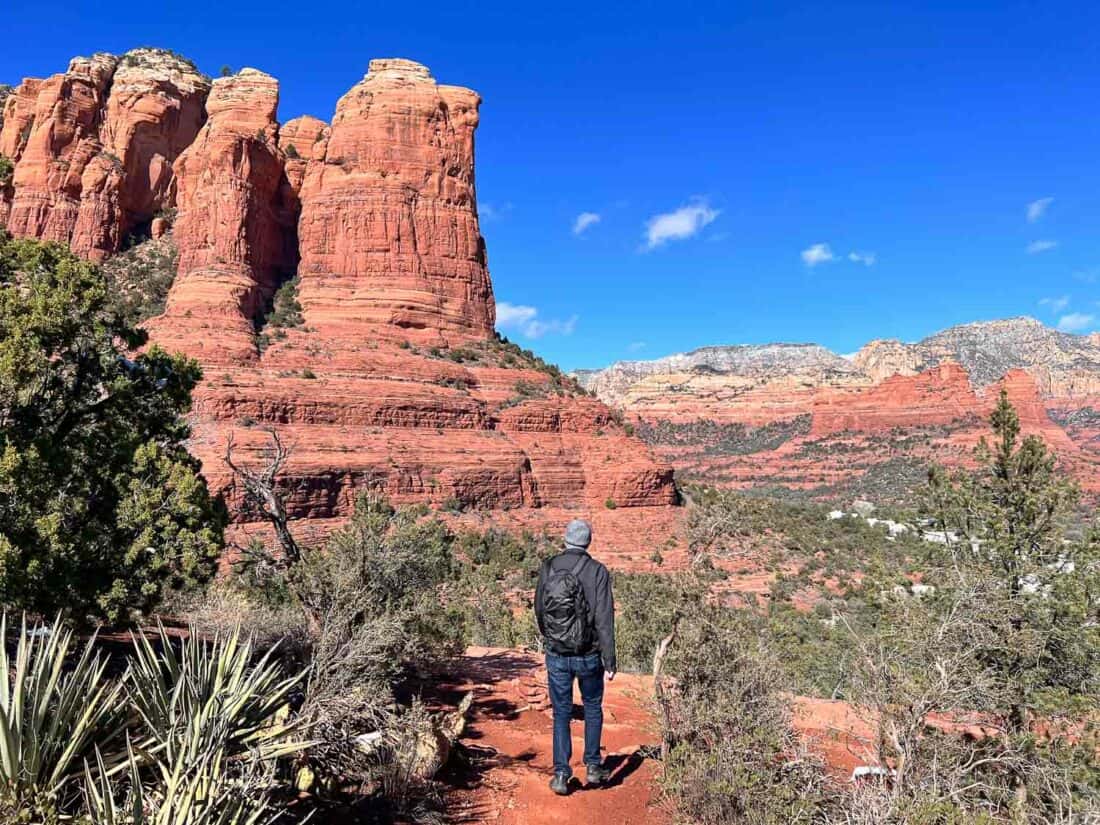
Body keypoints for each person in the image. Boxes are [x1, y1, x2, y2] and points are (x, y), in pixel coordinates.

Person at [534, 518, 616, 795]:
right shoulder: (597, 571)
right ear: (588, 542)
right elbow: (605, 619)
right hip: (589, 655)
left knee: (561, 713)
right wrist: (610, 659)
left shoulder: (549, 566)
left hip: (557, 653)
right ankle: (593, 766)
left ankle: (560, 774)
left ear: (565, 540)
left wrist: (552, 638)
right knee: (592, 707)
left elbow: (539, 610)